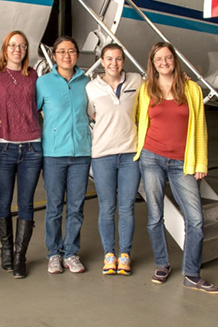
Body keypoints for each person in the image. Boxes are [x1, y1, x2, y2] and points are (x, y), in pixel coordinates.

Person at [134, 41, 218, 294]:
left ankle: (192, 274)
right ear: (152, 63)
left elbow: (201, 127)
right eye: (158, 59)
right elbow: (138, 120)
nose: (163, 62)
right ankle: (162, 264)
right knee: (154, 216)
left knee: (195, 219)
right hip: (151, 158)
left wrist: (201, 162)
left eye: (168, 58)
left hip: (182, 162)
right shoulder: (146, 90)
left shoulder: (191, 89)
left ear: (175, 60)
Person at [0, 31, 41, 279]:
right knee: (3, 199)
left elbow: (44, 104)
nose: (17, 49)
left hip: (32, 146)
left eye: (22, 45)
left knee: (27, 202)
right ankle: (6, 250)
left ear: (26, 50)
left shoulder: (34, 76)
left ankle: (20, 256)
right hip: (4, 146)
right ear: (5, 48)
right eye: (13, 45)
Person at [36, 36, 91, 274]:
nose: (66, 55)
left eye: (71, 51)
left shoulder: (87, 82)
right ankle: (54, 254)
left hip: (81, 154)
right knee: (54, 207)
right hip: (54, 155)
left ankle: (71, 253)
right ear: (54, 55)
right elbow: (30, 112)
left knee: (77, 207)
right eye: (61, 51)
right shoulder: (43, 83)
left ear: (77, 54)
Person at [85, 44, 142, 276]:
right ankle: (109, 254)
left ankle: (125, 254)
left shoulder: (137, 81)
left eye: (118, 59)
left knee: (127, 207)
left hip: (130, 155)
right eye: (109, 59)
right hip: (102, 156)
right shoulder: (91, 88)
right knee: (107, 208)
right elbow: (91, 114)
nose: (114, 63)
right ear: (102, 61)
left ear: (123, 61)